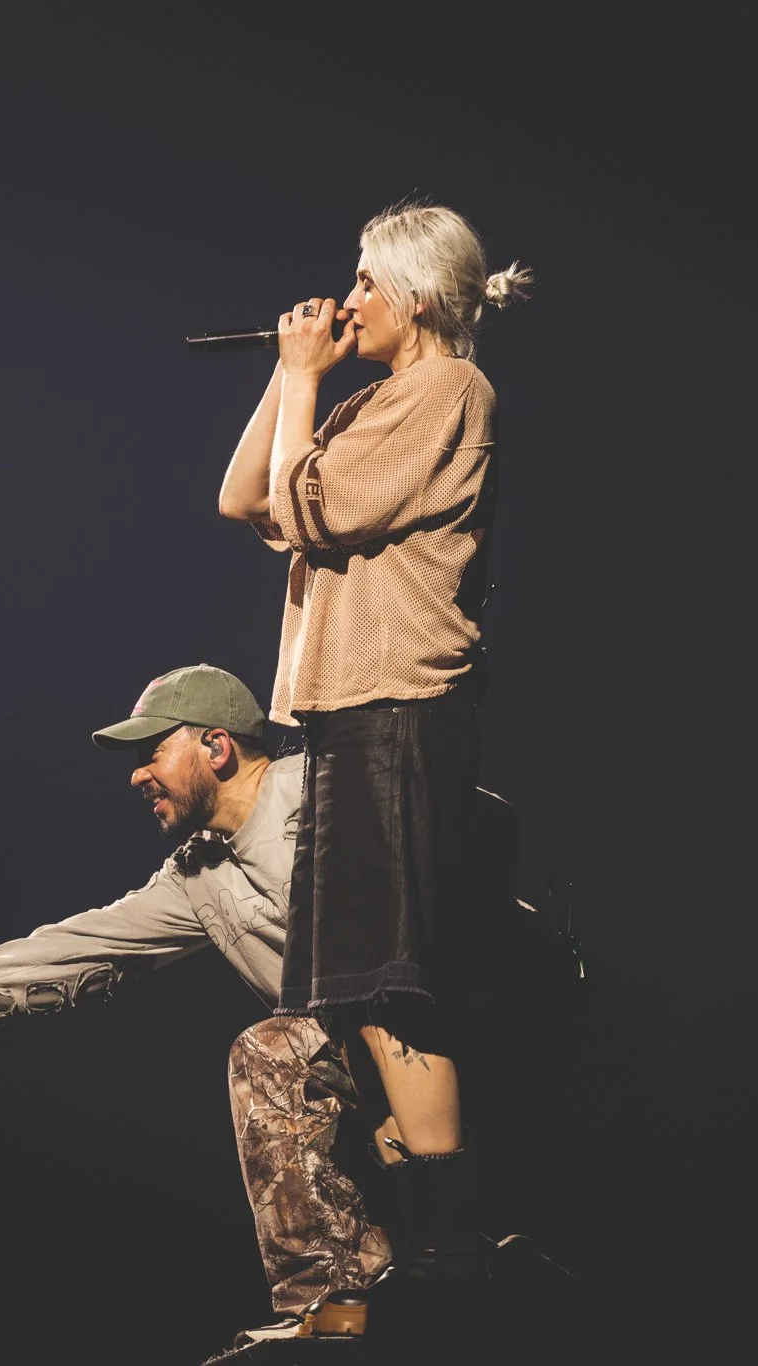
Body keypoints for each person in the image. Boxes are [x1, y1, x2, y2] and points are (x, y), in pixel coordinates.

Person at [0, 664, 391, 1349]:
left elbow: (458, 825)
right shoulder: (198, 873)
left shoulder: (320, 788)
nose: (137, 777)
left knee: (275, 1048)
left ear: (216, 746)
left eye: (152, 753)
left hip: (461, 1021)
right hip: (361, 1066)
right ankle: (337, 1308)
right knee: (279, 1052)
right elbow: (76, 948)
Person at [215, 198, 534, 1289]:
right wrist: (289, 374)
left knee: (394, 986)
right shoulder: (372, 401)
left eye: (363, 280)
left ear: (416, 295)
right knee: (354, 987)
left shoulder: (448, 392)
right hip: (349, 713)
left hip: (399, 709)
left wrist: (305, 379)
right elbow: (245, 497)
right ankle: (433, 1216)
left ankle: (448, 1232)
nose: (346, 300)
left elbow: (313, 513)